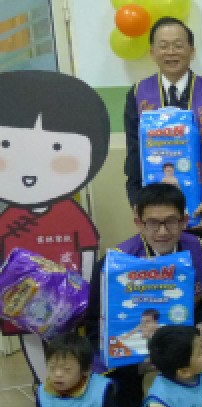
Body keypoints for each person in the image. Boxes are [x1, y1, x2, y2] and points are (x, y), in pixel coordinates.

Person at [123, 16, 202, 369]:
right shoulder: (138, 94)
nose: (171, 52)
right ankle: (169, 368)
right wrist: (140, 208)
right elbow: (133, 159)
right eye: (163, 45)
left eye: (178, 45)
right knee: (161, 292)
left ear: (191, 50)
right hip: (158, 220)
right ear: (152, 51)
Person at [83, 183, 202, 407]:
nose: (162, 231)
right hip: (129, 358)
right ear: (138, 222)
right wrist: (129, 359)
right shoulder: (113, 263)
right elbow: (93, 323)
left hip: (184, 345)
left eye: (171, 222)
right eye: (152, 223)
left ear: (184, 221)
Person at [0, 70, 108, 384]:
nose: (31, 169)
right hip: (20, 301)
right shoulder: (7, 218)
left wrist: (86, 293)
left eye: (57, 147)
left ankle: (76, 383)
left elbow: (87, 251)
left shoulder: (71, 214)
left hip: (68, 300)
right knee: (31, 339)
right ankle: (43, 385)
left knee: (70, 341)